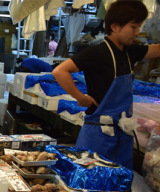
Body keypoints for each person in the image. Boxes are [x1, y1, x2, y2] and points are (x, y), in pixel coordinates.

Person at [52, 0, 160, 169]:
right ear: (115, 27)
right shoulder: (97, 52)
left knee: (119, 188)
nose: (137, 32)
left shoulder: (130, 53)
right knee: (92, 188)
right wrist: (80, 97)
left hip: (122, 136)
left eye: (139, 27)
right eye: (133, 27)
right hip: (98, 136)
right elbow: (59, 71)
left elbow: (157, 49)